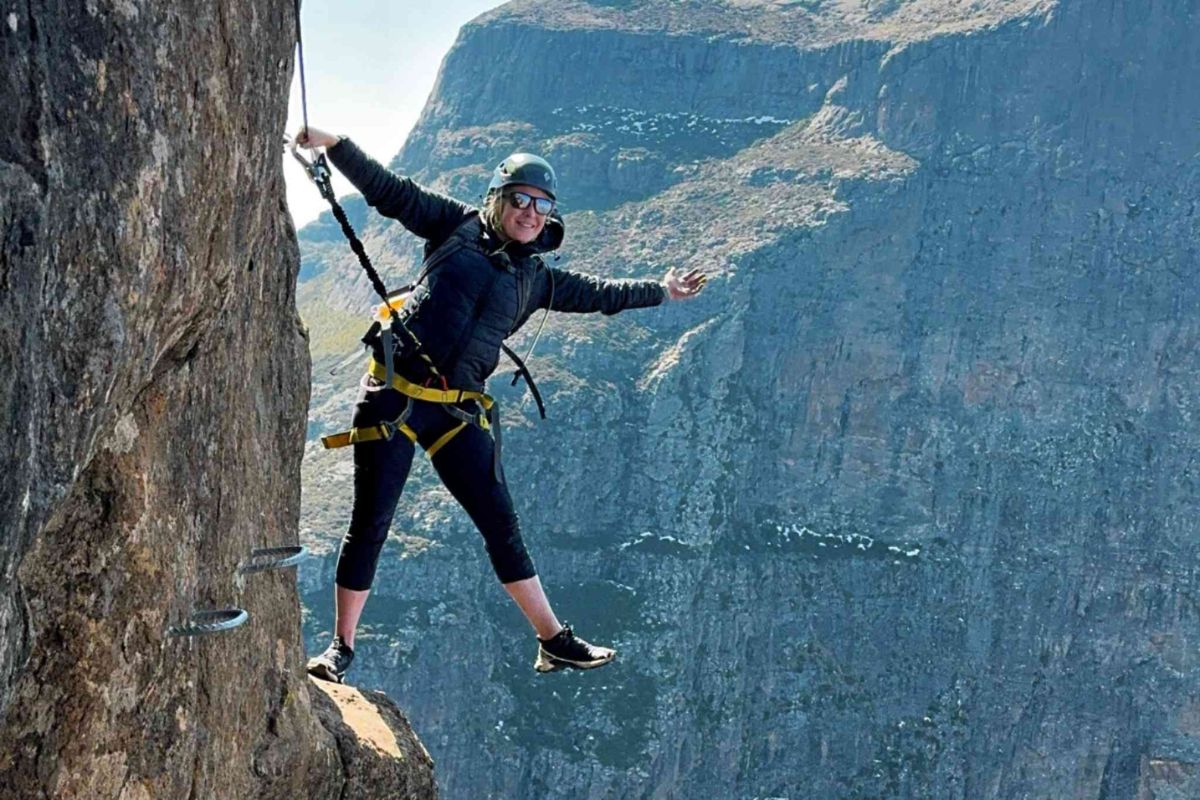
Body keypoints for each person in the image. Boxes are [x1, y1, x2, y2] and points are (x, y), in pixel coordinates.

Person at [296, 126, 707, 683]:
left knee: (500, 525)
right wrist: (336, 145)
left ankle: (553, 640)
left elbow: (603, 295)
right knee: (371, 521)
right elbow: (389, 191)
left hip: (456, 411)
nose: (531, 213)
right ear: (498, 198)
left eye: (542, 205)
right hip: (392, 398)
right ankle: (340, 648)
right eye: (521, 200)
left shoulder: (537, 279)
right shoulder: (453, 226)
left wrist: (662, 290)